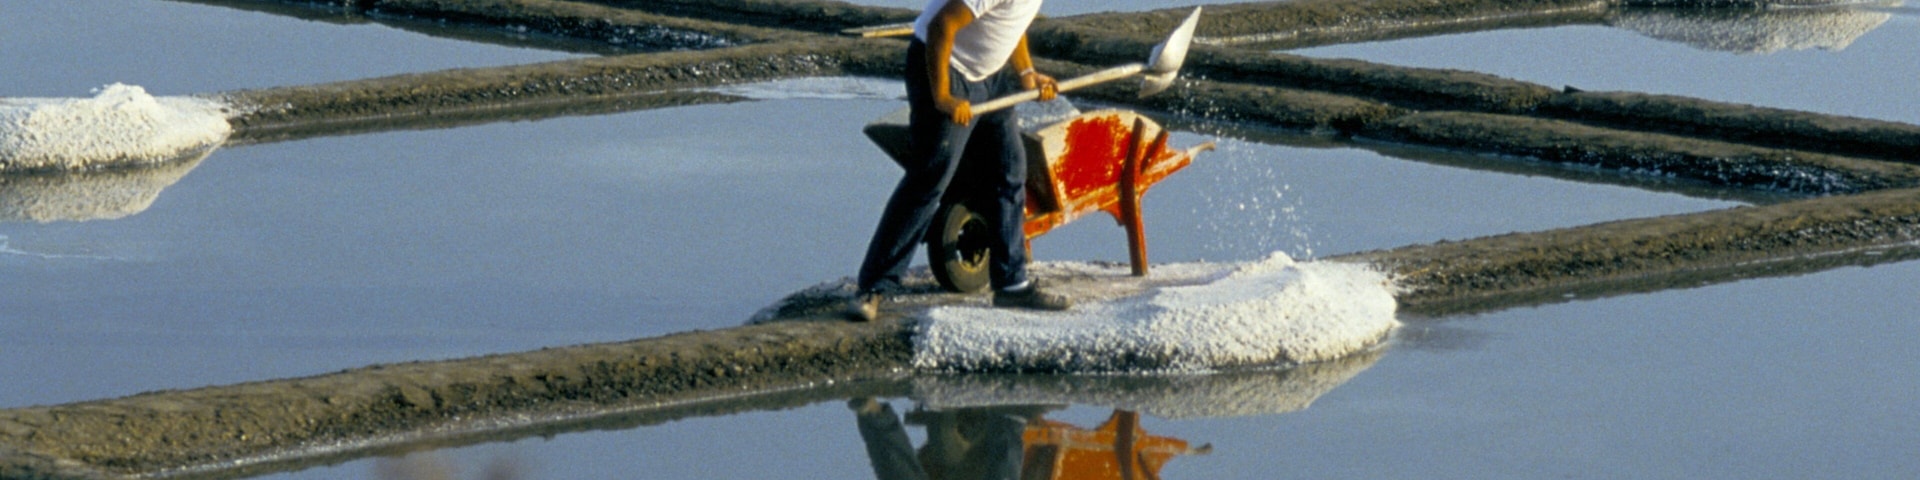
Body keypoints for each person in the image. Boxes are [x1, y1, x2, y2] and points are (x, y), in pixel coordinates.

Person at [846, 0, 1071, 322]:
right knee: (930, 178)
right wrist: (942, 96)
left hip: (991, 77)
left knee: (1009, 172)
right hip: (945, 67)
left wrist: (1026, 73)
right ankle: (873, 288)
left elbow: (1011, 23)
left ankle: (1011, 285)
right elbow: (941, 26)